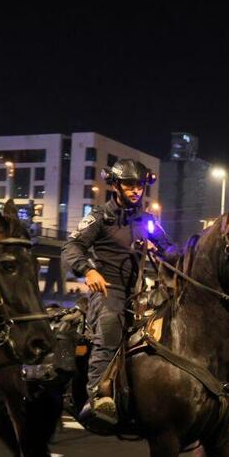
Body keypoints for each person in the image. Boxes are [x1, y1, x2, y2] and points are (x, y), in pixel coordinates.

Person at [61, 159, 178, 425]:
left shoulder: (148, 221)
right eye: (129, 184)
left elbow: (171, 250)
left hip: (137, 294)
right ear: (115, 185)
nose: (136, 190)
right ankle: (98, 397)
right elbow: (72, 247)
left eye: (140, 185)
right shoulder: (99, 217)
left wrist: (168, 252)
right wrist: (88, 270)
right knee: (111, 325)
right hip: (107, 291)